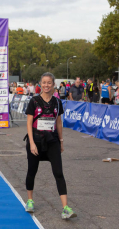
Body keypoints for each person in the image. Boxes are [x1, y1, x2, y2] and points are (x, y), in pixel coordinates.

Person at [24, 72, 77, 220]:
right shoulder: (34, 101)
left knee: (59, 173)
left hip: (52, 141)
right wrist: (32, 143)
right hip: (36, 141)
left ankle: (65, 208)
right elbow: (29, 123)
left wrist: (61, 141)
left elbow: (58, 122)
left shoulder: (57, 102)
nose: (46, 85)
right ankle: (29, 200)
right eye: (44, 82)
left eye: (49, 83)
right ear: (40, 84)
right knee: (32, 172)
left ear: (53, 84)